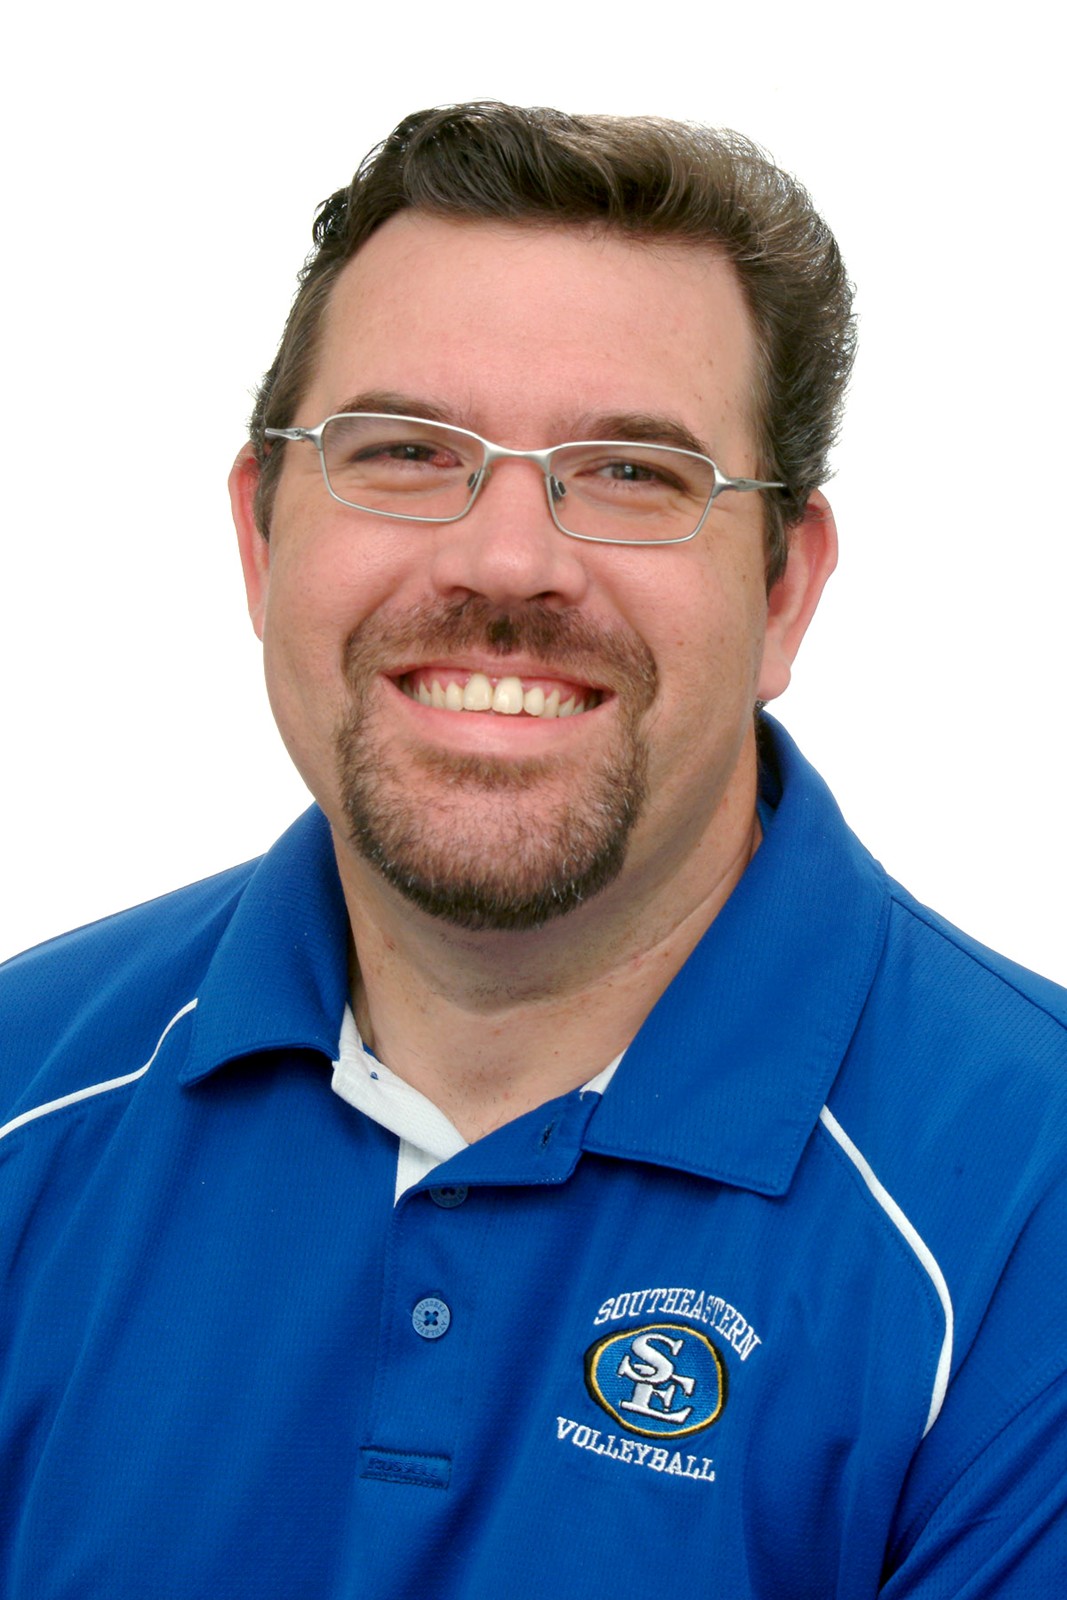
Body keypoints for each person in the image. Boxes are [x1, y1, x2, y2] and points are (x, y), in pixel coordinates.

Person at [1, 102, 1064, 1599]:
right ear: (261, 540)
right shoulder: (23, 1087)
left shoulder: (1029, 1207)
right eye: (404, 451)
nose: (506, 561)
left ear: (784, 593)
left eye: (632, 473)